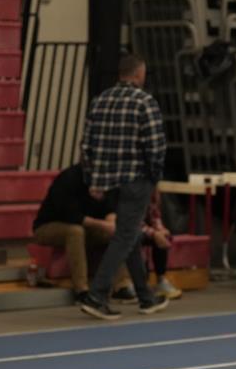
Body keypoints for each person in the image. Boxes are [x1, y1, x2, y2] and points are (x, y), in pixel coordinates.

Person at [77, 54, 169, 320]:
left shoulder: (100, 100)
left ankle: (145, 297)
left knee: (130, 235)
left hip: (108, 181)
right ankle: (97, 295)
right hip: (135, 179)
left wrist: (93, 180)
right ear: (139, 74)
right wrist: (154, 178)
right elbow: (156, 147)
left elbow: (86, 145)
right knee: (125, 237)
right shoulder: (144, 101)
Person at [32, 163, 129, 302]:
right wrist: (103, 225)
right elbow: (71, 215)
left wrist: (111, 223)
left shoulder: (106, 177)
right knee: (75, 231)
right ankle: (81, 290)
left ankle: (121, 285)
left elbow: (111, 206)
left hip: (87, 228)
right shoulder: (68, 178)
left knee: (116, 232)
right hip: (48, 226)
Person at [141, 188, 183, 300]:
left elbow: (155, 216)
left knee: (163, 237)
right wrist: (154, 234)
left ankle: (161, 281)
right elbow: (132, 223)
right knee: (140, 238)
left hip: (144, 229)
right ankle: (140, 285)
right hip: (128, 231)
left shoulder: (152, 190)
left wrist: (161, 230)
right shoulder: (132, 190)